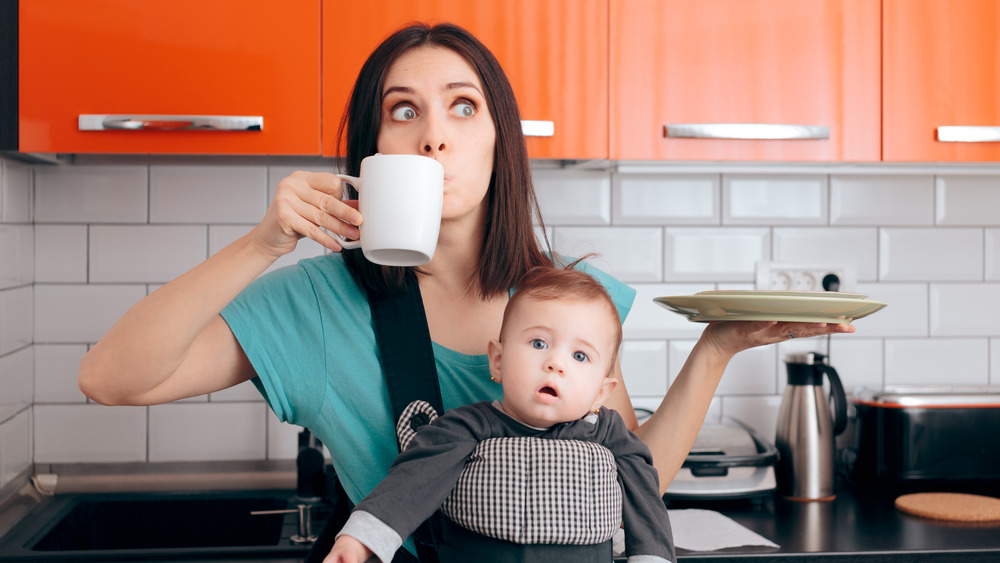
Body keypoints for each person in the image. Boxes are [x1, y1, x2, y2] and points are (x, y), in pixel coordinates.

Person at [77, 21, 854, 562]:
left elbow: (627, 473)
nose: (433, 135)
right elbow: (110, 379)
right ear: (373, 148)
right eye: (402, 111)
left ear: (496, 139)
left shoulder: (569, 301)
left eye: (462, 106)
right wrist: (262, 242)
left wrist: (715, 349)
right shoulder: (314, 303)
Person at [325, 265, 675, 563]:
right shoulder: (469, 427)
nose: (555, 363)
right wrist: (359, 541)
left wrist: (652, 556)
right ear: (498, 360)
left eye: (580, 356)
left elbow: (645, 496)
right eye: (539, 343)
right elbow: (413, 480)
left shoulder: (610, 437)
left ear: (601, 392)